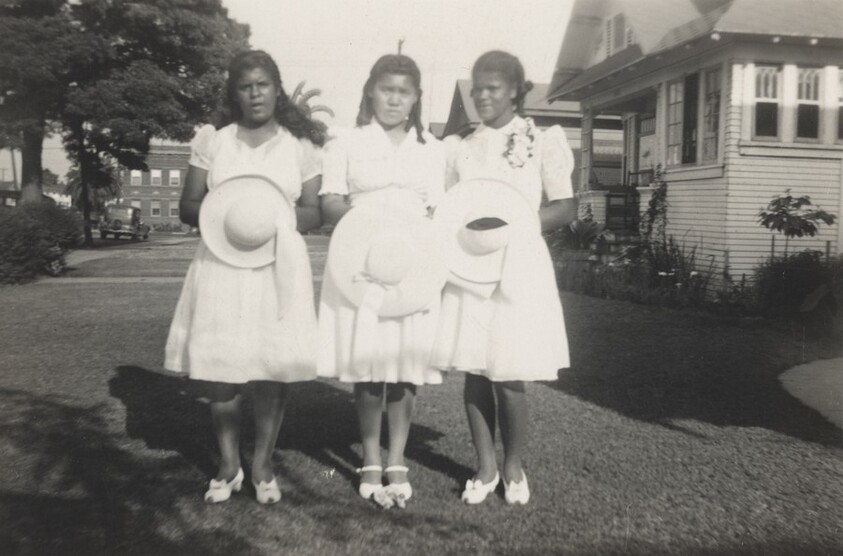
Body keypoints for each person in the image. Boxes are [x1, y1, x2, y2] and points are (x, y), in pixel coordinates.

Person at [164, 50, 325, 505]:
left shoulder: (300, 145)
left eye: (263, 85)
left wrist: (268, 217)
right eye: (245, 86)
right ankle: (229, 463)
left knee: (270, 366)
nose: (255, 94)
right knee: (222, 367)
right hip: (221, 263)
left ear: (277, 88)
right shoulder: (215, 140)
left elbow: (313, 211)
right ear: (234, 93)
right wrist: (231, 211)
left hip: (277, 265)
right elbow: (187, 206)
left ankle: (263, 464)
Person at [431, 50, 576, 506]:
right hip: (469, 263)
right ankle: (485, 466)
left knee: (509, 372)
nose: (481, 97)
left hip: (519, 263)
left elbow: (565, 207)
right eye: (476, 90)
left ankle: (512, 465)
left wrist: (516, 224)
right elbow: (448, 206)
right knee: (475, 368)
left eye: (491, 88)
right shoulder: (459, 146)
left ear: (514, 90)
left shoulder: (542, 138)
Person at [317, 54, 446, 505]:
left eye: (404, 91)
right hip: (361, 261)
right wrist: (360, 226)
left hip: (413, 264)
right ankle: (371, 454)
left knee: (404, 364)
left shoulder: (432, 148)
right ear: (371, 90)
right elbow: (330, 200)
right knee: (369, 363)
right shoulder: (346, 141)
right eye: (387, 89)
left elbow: (436, 210)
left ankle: (397, 456)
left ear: (416, 99)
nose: (394, 99)